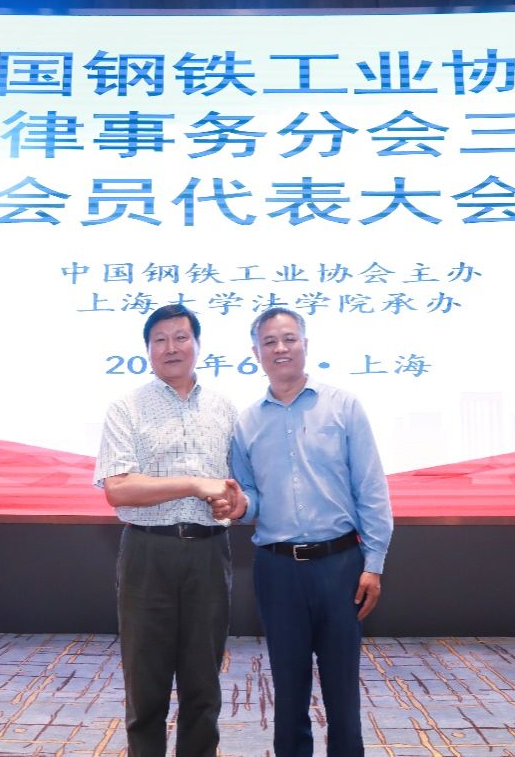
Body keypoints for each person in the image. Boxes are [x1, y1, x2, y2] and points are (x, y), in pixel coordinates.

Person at [214, 308, 393, 757]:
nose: (280, 349)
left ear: (305, 345)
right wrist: (241, 506)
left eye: (289, 339)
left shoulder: (344, 406)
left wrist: (373, 564)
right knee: (288, 685)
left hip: (340, 566)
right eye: (270, 342)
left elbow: (370, 489)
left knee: (342, 687)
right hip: (277, 570)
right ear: (256, 352)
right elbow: (251, 498)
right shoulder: (246, 423)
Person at [93, 303, 240, 757]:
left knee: (203, 686)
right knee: (146, 686)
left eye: (181, 337)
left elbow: (237, 488)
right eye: (160, 339)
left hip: (208, 554)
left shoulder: (224, 409)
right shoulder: (126, 408)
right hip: (148, 553)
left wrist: (232, 501)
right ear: (147, 349)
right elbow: (118, 489)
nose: (171, 347)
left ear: (197, 345)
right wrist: (194, 484)